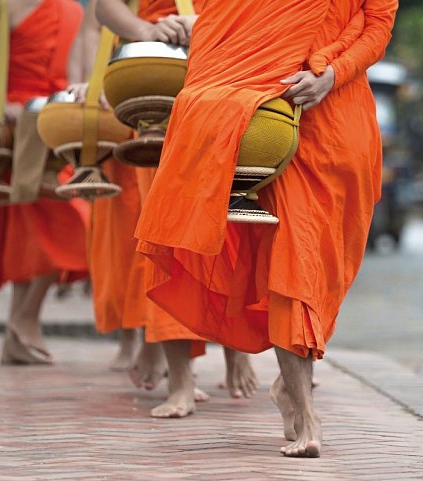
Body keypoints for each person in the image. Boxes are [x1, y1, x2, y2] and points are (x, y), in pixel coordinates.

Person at [135, 0, 397, 456]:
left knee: (326, 270)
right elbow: (221, 19)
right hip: (271, 111)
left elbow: (377, 24)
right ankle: (305, 410)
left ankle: (290, 388)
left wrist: (333, 74)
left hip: (340, 113)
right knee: (296, 260)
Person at [72, 0, 258, 419]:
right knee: (165, 235)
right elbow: (103, 10)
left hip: (220, 82)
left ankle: (236, 348)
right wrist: (146, 30)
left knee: (225, 232)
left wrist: (204, 23)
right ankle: (181, 381)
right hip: (151, 88)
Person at [0, 0, 89, 365]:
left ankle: (20, 325)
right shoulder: (1, 10)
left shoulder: (73, 10)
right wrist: (0, 102)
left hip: (59, 121)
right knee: (30, 234)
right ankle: (19, 329)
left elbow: (80, 66)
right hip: (19, 126)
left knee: (75, 224)